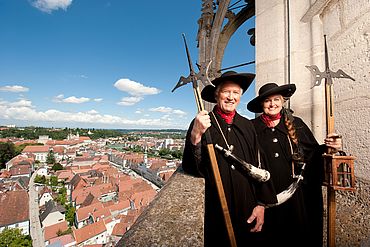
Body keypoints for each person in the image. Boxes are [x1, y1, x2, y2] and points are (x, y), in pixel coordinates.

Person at [181, 71, 277, 246]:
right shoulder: (203, 122)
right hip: (216, 207)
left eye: (236, 93)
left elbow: (260, 165)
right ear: (217, 94)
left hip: (247, 206)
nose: (231, 97)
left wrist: (262, 204)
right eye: (226, 92)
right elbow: (192, 168)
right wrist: (196, 135)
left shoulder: (247, 125)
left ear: (240, 97)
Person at [247, 82, 342, 247]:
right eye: (267, 100)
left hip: (296, 197)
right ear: (261, 104)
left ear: (283, 101)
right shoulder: (252, 128)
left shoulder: (296, 124)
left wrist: (330, 147)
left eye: (276, 99)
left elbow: (313, 154)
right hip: (266, 196)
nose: (272, 104)